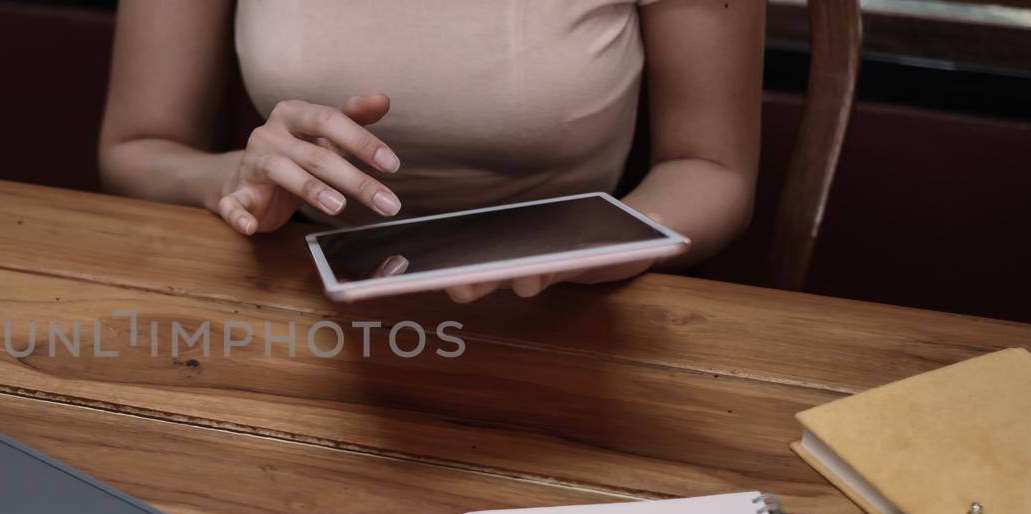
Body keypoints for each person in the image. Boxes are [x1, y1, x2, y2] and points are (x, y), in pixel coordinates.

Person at [97, 0, 763, 301]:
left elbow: (711, 167)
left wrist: (605, 245)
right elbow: (137, 147)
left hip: (569, 313)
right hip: (296, 299)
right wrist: (239, 180)